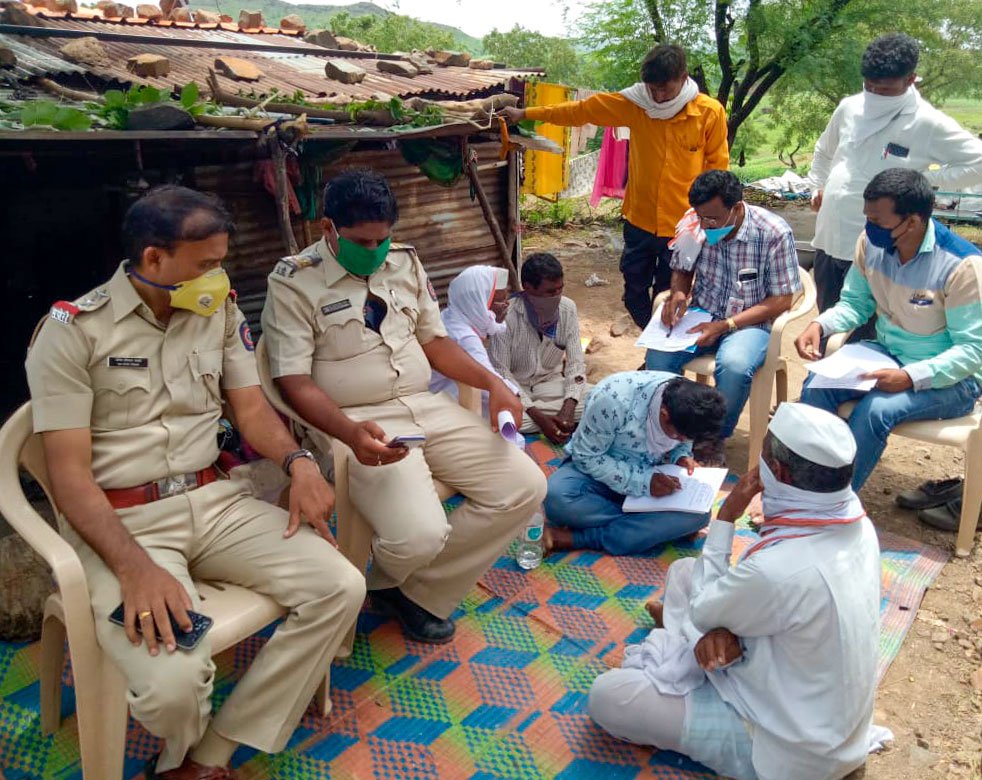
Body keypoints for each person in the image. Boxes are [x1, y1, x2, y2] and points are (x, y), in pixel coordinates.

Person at [24, 186, 366, 780]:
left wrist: (300, 463)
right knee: (172, 687)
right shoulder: (73, 331)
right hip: (126, 524)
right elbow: (69, 476)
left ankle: (211, 754)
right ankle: (181, 739)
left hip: (216, 501)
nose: (219, 276)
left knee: (341, 585)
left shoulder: (219, 311)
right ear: (154, 258)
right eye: (207, 264)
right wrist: (135, 568)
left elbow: (251, 410)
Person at [261, 169, 547, 644]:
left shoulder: (404, 262)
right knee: (418, 535)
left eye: (383, 239)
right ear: (328, 228)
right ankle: (399, 576)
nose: (375, 251)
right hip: (355, 422)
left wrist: (493, 383)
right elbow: (293, 380)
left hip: (424, 405)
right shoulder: (294, 281)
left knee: (525, 486)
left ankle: (406, 589)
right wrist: (348, 432)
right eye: (362, 241)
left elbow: (434, 341)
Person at [588, 403, 883, 780]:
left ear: (777, 472)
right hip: (812, 704)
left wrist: (726, 516)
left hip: (784, 744)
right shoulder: (859, 527)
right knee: (685, 572)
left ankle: (686, 640)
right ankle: (698, 637)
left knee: (610, 696)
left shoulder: (778, 570)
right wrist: (724, 628)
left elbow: (718, 602)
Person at [796, 168, 982, 529]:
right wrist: (821, 325)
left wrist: (910, 377)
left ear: (912, 221)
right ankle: (802, 491)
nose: (869, 227)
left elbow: (972, 352)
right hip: (886, 353)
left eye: (877, 220)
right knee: (816, 387)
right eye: (867, 218)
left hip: (952, 379)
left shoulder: (962, 266)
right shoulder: (871, 245)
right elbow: (855, 303)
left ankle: (829, 510)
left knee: (876, 410)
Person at [500, 44, 729, 328]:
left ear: (683, 78)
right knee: (633, 295)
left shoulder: (709, 113)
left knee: (668, 296)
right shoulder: (635, 104)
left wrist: (713, 224)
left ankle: (658, 348)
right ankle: (652, 336)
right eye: (652, 89)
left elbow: (718, 171)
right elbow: (581, 111)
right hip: (640, 221)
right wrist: (525, 114)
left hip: (683, 226)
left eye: (664, 89)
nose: (658, 97)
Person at [808, 33, 982, 342]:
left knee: (867, 338)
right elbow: (824, 151)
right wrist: (817, 186)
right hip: (831, 235)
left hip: (879, 246)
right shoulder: (850, 107)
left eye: (885, 89)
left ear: (911, 79)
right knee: (827, 327)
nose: (875, 94)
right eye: (869, 86)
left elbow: (978, 161)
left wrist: (924, 181)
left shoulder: (927, 123)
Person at [645, 170, 802, 464]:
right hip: (701, 315)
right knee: (659, 357)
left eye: (713, 219)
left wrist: (726, 325)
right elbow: (682, 268)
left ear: (737, 208)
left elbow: (782, 299)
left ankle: (711, 438)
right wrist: (679, 293)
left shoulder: (773, 232)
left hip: (750, 324)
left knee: (734, 365)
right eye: (701, 217)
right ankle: (668, 431)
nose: (706, 225)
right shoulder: (694, 222)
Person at [543, 371, 725, 556]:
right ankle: (648, 527)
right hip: (598, 476)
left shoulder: (691, 404)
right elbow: (586, 456)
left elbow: (684, 441)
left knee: (700, 515)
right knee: (556, 498)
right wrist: (644, 482)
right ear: (664, 415)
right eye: (679, 436)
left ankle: (581, 537)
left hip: (659, 482)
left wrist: (681, 456)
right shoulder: (612, 399)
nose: (682, 440)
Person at [487, 252, 588, 443]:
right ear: (528, 288)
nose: (556, 296)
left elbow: (576, 364)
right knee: (499, 418)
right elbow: (502, 372)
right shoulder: (507, 316)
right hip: (517, 388)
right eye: (550, 292)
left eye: (560, 289)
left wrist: (568, 408)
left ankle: (558, 418)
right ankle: (552, 419)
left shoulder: (567, 309)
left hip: (552, 384)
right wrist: (539, 417)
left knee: (601, 398)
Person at [429, 264, 516, 417]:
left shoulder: (451, 316)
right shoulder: (463, 337)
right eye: (500, 300)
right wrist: (519, 400)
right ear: (478, 303)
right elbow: (490, 381)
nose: (507, 304)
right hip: (440, 404)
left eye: (506, 298)